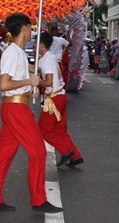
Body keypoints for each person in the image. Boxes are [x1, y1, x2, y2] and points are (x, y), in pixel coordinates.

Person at [0, 13, 62, 214]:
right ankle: (38, 200)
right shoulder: (12, 52)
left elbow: (16, 80)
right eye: (31, 27)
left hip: (15, 106)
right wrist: (29, 82)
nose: (33, 31)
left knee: (3, 154)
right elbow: (4, 84)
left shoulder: (17, 52)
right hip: (16, 109)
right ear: (25, 28)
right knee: (38, 151)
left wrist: (30, 86)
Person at [37, 31, 83, 167]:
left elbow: (48, 81)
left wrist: (35, 82)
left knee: (43, 130)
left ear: (41, 44)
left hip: (54, 99)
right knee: (60, 131)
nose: (34, 45)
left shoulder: (47, 59)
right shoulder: (49, 57)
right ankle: (75, 156)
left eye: (35, 42)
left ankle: (66, 152)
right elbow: (38, 68)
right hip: (60, 96)